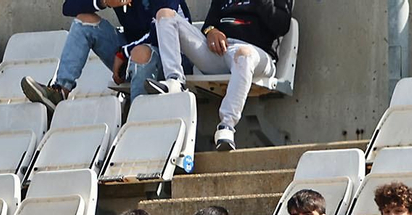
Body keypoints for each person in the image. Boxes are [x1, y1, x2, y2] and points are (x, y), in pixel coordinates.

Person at [147, 0, 292, 151]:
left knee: (244, 55)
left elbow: (281, 25)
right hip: (220, 51)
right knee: (165, 14)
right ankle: (175, 80)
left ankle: (227, 126)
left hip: (256, 55)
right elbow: (209, 25)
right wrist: (211, 31)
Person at [22, 0, 177, 110]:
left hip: (169, 61)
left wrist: (124, 52)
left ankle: (139, 121)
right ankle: (60, 92)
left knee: (140, 51)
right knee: (85, 20)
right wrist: (103, 1)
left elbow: (164, 29)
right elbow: (68, 6)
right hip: (130, 53)